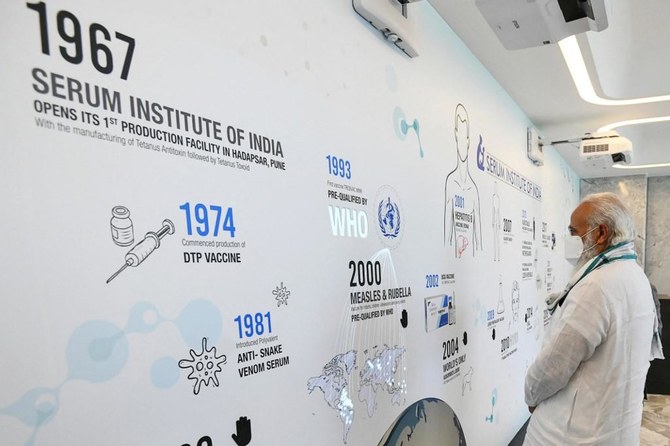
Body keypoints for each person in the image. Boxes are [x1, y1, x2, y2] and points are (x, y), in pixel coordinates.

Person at [523, 192, 663, 445]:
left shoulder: (596, 286)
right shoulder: (636, 277)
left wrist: (531, 395)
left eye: (573, 232)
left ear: (601, 233)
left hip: (570, 435)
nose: (569, 239)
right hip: (617, 430)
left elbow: (554, 365)